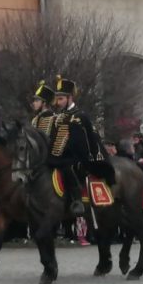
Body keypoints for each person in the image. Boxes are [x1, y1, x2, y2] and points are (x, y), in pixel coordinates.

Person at [48, 76, 108, 218]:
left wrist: (93, 154)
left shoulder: (80, 116)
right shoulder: (58, 117)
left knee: (69, 168)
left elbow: (91, 136)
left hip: (78, 157)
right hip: (60, 155)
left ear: (69, 98)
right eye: (57, 99)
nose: (58, 102)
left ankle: (77, 201)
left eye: (61, 98)